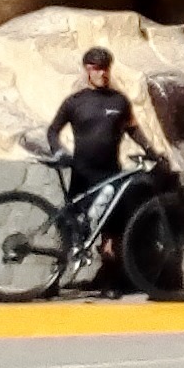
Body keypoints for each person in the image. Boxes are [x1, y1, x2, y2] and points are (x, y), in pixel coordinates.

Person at [47, 47, 162, 288]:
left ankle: (108, 282)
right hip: (81, 175)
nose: (102, 73)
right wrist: (58, 151)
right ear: (87, 70)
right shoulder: (74, 102)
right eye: (97, 68)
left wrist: (151, 150)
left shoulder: (119, 101)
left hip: (110, 173)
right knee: (71, 230)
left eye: (105, 68)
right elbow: (53, 131)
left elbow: (132, 129)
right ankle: (51, 281)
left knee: (111, 232)